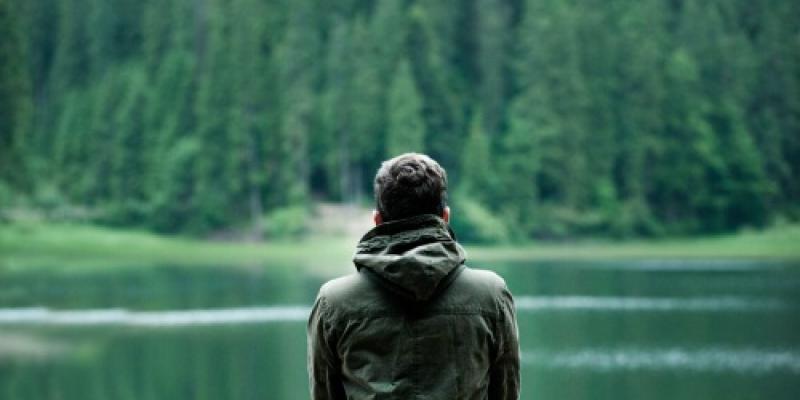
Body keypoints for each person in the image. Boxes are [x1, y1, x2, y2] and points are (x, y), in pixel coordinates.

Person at [307, 153, 520, 399]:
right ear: (445, 217)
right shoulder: (491, 295)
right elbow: (506, 392)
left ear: (376, 221)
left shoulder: (333, 302)